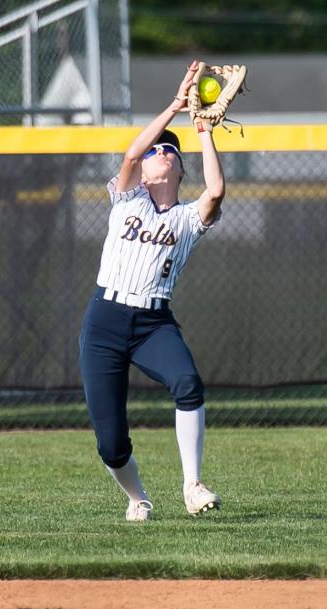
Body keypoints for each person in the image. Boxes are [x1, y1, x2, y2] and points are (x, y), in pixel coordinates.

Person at [79, 60, 226, 522]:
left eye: (170, 151)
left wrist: (201, 128)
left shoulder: (186, 218)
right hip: (104, 320)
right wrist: (175, 106)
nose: (161, 151)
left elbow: (216, 190)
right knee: (110, 442)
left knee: (188, 384)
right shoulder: (127, 198)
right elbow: (128, 155)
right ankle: (137, 496)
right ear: (144, 171)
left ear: (181, 170)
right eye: (155, 150)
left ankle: (192, 484)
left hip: (151, 323)